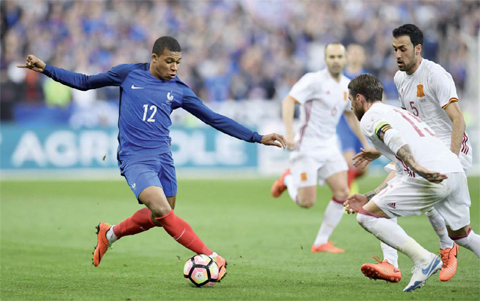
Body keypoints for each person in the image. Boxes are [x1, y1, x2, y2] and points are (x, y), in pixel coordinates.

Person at [18, 36, 286, 281]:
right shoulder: (129, 73)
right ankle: (212, 256)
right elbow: (86, 82)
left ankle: (109, 233)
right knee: (161, 210)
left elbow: (214, 118)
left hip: (163, 158)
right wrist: (47, 69)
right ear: (154, 57)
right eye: (169, 61)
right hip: (135, 157)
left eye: (178, 62)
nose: (174, 67)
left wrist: (256, 136)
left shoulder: (179, 89)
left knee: (161, 216)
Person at [358, 24, 474, 283]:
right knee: (387, 196)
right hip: (422, 146)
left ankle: (446, 247)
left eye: (403, 49)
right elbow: (406, 123)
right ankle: (392, 263)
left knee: (428, 197)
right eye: (394, 49)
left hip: (450, 148)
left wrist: (451, 160)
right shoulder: (400, 79)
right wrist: (382, 150)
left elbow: (458, 120)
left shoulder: (436, 75)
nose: (398, 55)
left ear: (418, 49)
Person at [344, 73, 479, 292]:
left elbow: (391, 136)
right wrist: (368, 196)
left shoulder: (370, 116)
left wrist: (415, 166)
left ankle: (423, 259)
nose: (351, 107)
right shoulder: (397, 111)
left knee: (366, 217)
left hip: (429, 176)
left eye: (351, 101)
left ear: (359, 98)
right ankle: (426, 255)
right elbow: (397, 169)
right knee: (463, 235)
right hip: (454, 170)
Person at [270, 43, 371, 253]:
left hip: (329, 146)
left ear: (345, 60)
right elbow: (288, 102)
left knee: (343, 191)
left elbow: (350, 115)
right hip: (307, 147)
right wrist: (289, 133)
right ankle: (288, 179)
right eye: (331, 56)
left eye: (339, 56)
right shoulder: (313, 80)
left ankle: (321, 242)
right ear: (325, 60)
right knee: (307, 202)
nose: (335, 60)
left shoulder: (347, 86)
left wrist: (365, 142)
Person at [336, 44, 369, 191]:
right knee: (349, 160)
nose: (355, 56)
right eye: (352, 53)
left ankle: (344, 182)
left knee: (362, 168)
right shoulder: (340, 77)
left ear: (363, 57)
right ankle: (346, 195)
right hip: (344, 123)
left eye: (358, 53)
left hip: (363, 124)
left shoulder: (368, 78)